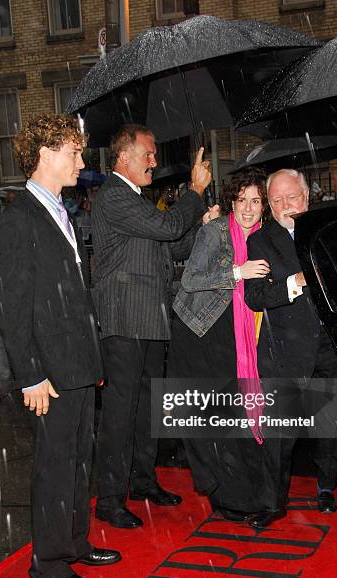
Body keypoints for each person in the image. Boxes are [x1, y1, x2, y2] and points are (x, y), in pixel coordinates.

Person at [0, 114, 121, 578]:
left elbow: (75, 295)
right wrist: (30, 377)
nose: (81, 162)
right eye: (74, 152)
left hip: (78, 364)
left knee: (78, 461)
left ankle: (72, 541)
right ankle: (48, 565)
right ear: (45, 154)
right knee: (54, 465)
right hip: (48, 370)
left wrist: (92, 363)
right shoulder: (18, 219)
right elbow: (12, 306)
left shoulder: (62, 210)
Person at [92, 124, 212, 529]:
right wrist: (194, 194)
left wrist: (203, 219)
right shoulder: (113, 195)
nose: (155, 161)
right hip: (124, 318)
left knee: (145, 410)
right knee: (120, 413)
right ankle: (109, 499)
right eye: (149, 154)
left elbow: (173, 245)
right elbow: (167, 228)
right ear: (124, 157)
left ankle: (143, 481)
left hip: (150, 318)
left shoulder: (137, 200)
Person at [245, 169, 337, 528]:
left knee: (334, 424)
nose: (285, 205)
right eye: (276, 200)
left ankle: (326, 487)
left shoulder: (327, 230)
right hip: (283, 349)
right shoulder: (260, 242)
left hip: (331, 344)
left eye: (292, 197)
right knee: (278, 434)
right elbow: (254, 297)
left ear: (307, 196)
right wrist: (294, 282)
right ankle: (272, 503)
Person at [169, 171, 270, 522]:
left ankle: (240, 493)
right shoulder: (215, 231)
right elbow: (191, 280)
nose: (248, 208)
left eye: (255, 201)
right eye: (242, 200)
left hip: (234, 334)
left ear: (263, 206)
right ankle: (227, 496)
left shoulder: (264, 238)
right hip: (198, 330)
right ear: (231, 202)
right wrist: (237, 272)